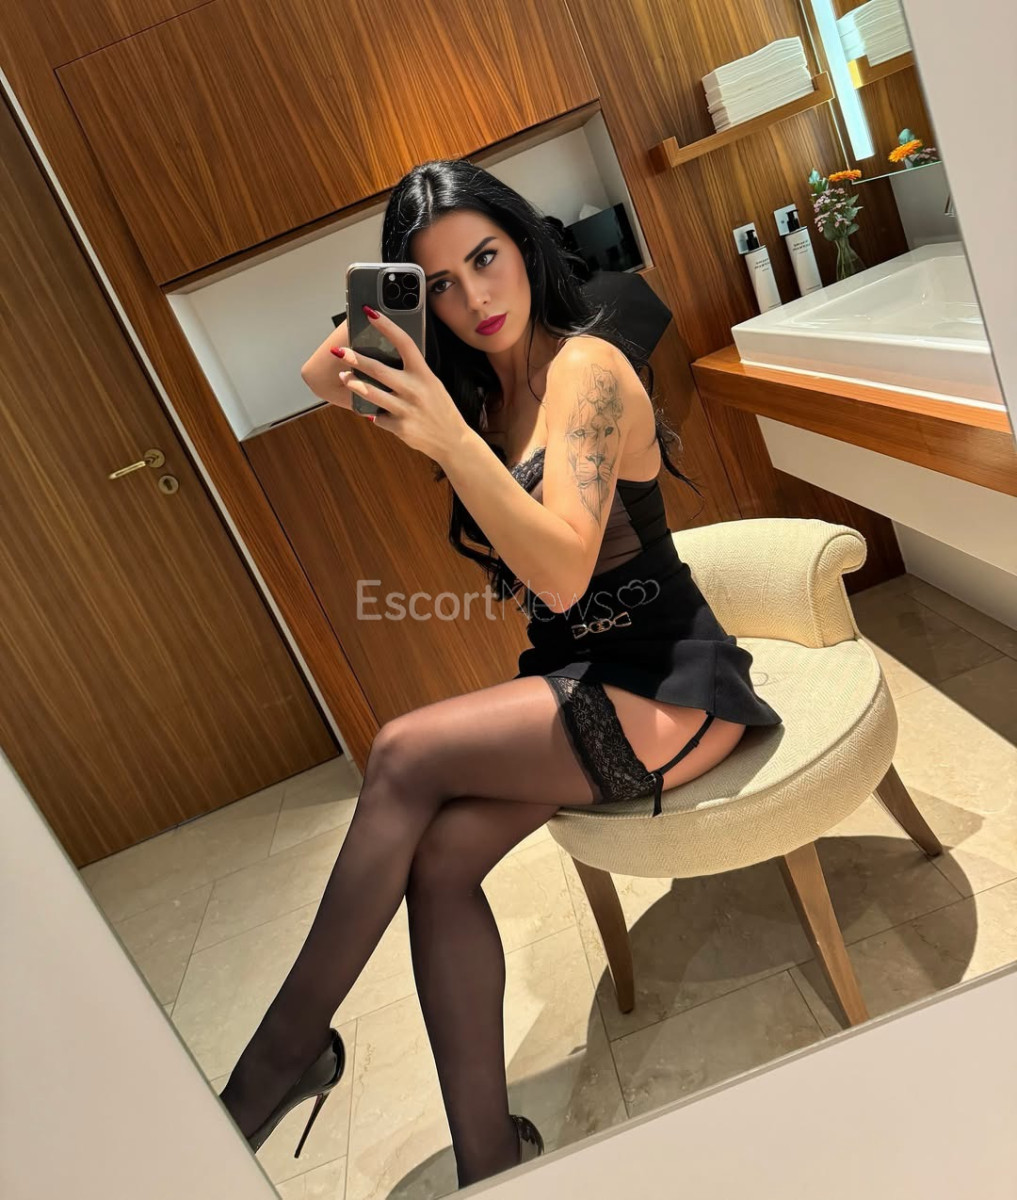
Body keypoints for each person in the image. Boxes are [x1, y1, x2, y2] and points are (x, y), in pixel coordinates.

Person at [218, 159, 783, 1188]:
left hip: (670, 685)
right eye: (439, 283)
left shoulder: (587, 369)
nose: (474, 297)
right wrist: (396, 307)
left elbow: (563, 572)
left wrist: (443, 430)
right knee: (437, 861)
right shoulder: (477, 394)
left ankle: (278, 1062)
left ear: (524, 245)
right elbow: (320, 375)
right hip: (580, 677)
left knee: (402, 753)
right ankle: (489, 1160)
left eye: (486, 258)